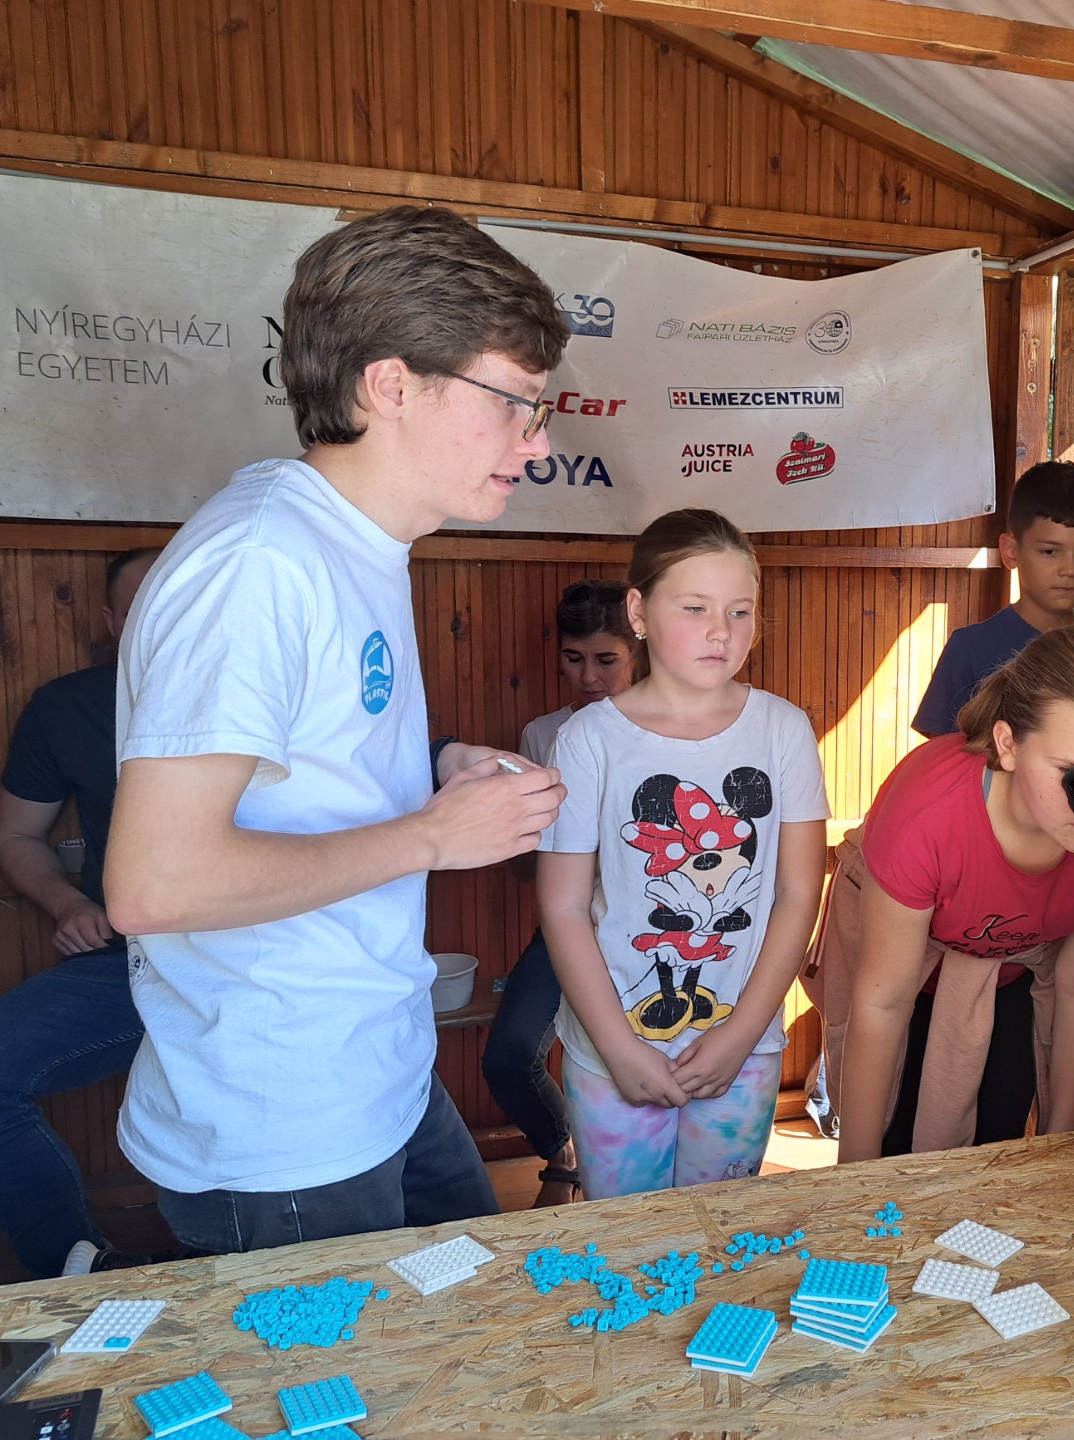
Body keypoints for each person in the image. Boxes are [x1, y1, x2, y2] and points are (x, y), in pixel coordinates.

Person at [102, 205, 569, 1254]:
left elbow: (305, 754)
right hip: (283, 1128)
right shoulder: (258, 564)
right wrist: (435, 836)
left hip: (381, 1072)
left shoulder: (356, 540)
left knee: (469, 1329)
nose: (537, 444)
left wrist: (436, 766)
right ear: (391, 385)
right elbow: (155, 885)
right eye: (514, 404)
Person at [535, 509, 828, 1200]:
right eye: (695, 608)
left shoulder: (783, 731)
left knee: (724, 1227)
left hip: (742, 1049)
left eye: (740, 611)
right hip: (610, 1050)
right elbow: (564, 907)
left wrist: (741, 1035)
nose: (721, 631)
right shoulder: (589, 739)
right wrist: (618, 1047)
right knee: (627, 1234)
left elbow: (797, 894)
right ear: (638, 611)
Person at [808, 625, 1074, 1163]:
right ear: (1008, 744)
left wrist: (1061, 1153)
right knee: (896, 1138)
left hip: (1012, 964)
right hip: (908, 968)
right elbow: (884, 999)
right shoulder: (928, 815)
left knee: (1001, 1134)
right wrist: (857, 1173)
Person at [0, 548, 158, 1279]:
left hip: (271, 960)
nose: (165, 621)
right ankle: (79, 1272)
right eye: (143, 609)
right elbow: (16, 836)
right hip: (132, 961)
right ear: (111, 623)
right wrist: (68, 902)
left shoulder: (281, 692)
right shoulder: (69, 707)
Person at [482, 580, 635, 1208]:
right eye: (574, 659)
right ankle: (563, 1151)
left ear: (639, 651)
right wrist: (519, 827)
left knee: (628, 1063)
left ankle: (623, 1196)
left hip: (646, 931)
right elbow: (527, 870)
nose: (588, 677)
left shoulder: (665, 731)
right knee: (508, 1056)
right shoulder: (543, 733)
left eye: (606, 660)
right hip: (565, 927)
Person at [909, 460, 1074, 738]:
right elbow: (943, 753)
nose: (1071, 569)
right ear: (1011, 551)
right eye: (1050, 552)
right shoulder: (969, 649)